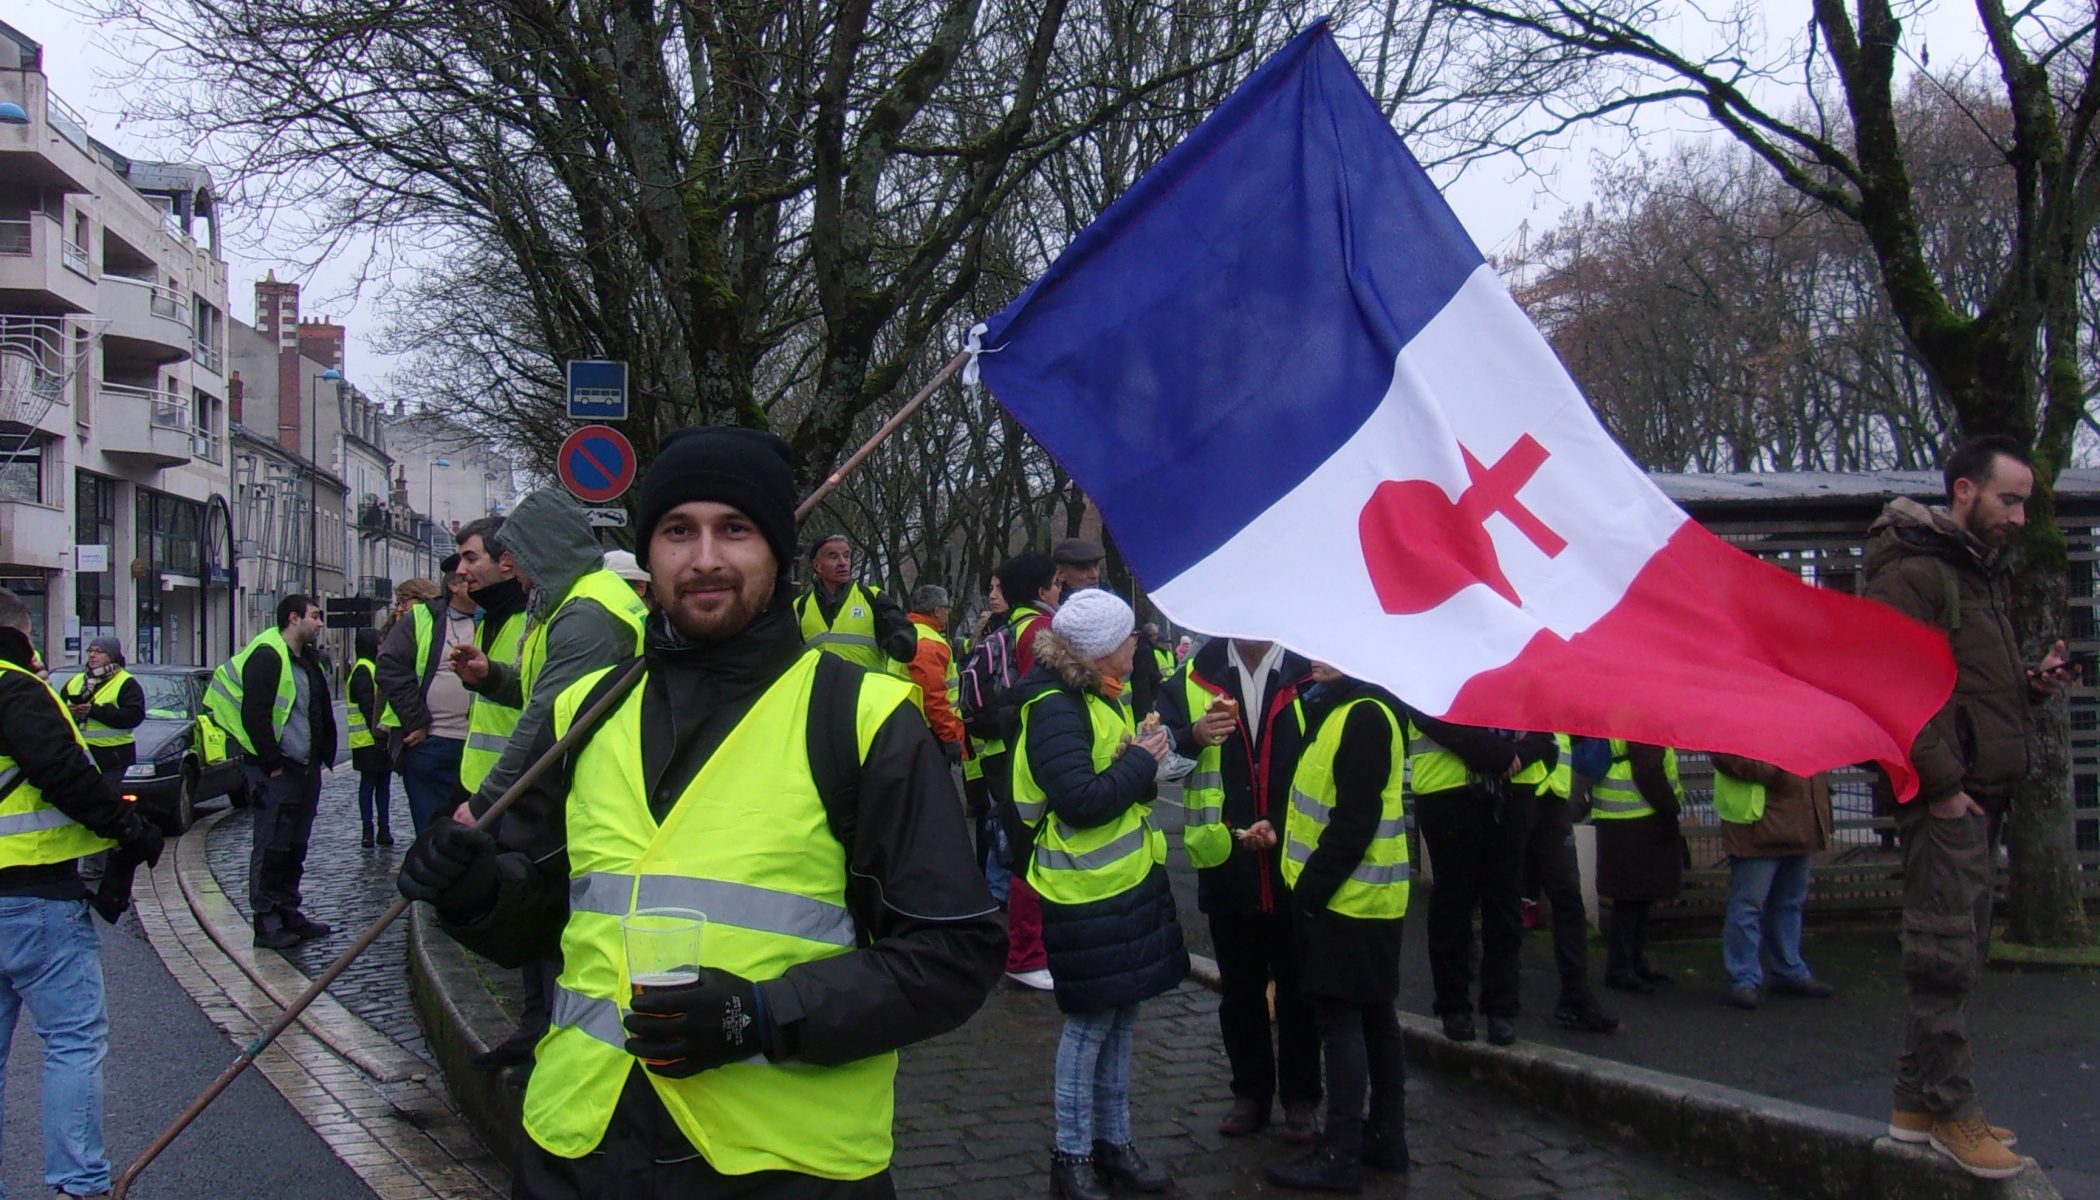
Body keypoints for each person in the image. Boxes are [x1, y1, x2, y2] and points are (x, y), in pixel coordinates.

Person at [397, 426, 1003, 1198]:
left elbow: (953, 955)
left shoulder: (864, 719)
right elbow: (542, 923)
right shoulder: (588, 709)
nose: (706, 557)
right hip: (576, 1151)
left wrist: (761, 1014)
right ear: (648, 555)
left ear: (779, 553)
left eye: (736, 530)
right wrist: (472, 892)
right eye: (679, 531)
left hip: (782, 1171)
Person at [1862, 434, 2070, 1178]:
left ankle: (1915, 1109)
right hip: (1947, 800)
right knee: (1944, 958)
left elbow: (1958, 683)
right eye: (2009, 500)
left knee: (1961, 950)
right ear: (1963, 492)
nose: (2019, 517)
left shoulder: (1972, 574)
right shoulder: (1914, 574)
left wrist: (2027, 682)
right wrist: (1944, 788)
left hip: (1979, 794)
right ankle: (1953, 1114)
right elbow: (1889, 688)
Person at [451, 491, 649, 1079]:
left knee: (557, 929)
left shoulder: (586, 613)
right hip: (566, 792)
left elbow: (545, 720)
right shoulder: (568, 604)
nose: (513, 568)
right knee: (545, 927)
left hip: (584, 794)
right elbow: (547, 695)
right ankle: (539, 1031)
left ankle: (558, 1044)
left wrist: (487, 801)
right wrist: (494, 679)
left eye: (519, 554)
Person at [1010, 588, 1184, 1200]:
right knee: (1088, 1029)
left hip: (1122, 883)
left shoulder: (1096, 696)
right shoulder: (1057, 705)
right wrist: (1141, 761)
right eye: (1131, 637)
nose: (1139, 644)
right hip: (1083, 888)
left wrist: (1149, 761)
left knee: (1121, 1018)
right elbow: (1081, 801)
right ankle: (1073, 1155)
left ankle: (1116, 1144)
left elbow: (1118, 786)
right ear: (1104, 649)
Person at [0, 588, 164, 1200]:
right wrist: (128, 828)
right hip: (34, 894)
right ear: (19, 633)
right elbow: (64, 772)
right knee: (72, 1043)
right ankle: (77, 1183)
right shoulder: (16, 686)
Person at [1157, 635, 1321, 1141]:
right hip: (1224, 856)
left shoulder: (1309, 672)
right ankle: (1249, 1093)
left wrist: (1276, 821)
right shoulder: (1192, 674)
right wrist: (1191, 735)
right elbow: (1156, 757)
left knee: (1300, 988)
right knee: (1240, 989)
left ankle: (1301, 1098)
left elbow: (1327, 760)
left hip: (1295, 856)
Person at [1265, 662, 1410, 1192]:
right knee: (1373, 1019)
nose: (1312, 658)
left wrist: (1308, 895)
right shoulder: (1340, 708)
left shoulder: (1364, 714)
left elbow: (1354, 820)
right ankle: (1385, 1140)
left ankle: (1343, 1151)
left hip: (1349, 901)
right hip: (1357, 898)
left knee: (1344, 1024)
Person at [1404, 716, 1556, 1045]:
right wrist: (1496, 754)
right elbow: (1424, 709)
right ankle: (1453, 1004)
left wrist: (1518, 755)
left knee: (1503, 900)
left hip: (1515, 788)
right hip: (1448, 788)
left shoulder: (1519, 663)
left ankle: (1501, 1007)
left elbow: (1546, 715)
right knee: (1453, 899)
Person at [205, 594, 337, 951]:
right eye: (314, 616)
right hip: (278, 770)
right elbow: (256, 715)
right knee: (272, 844)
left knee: (295, 845)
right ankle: (266, 921)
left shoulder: (305, 658)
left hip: (304, 768)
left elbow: (315, 709)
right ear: (293, 618)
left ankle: (288, 910)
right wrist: (272, 763)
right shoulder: (268, 655)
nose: (319, 622)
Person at [981, 551, 1062, 990]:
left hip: (1007, 748)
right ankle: (1027, 954)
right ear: (1039, 589)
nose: (1060, 589)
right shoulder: (1041, 629)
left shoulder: (1010, 625)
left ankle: (1030, 950)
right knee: (1031, 853)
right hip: (1032, 753)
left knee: (1020, 847)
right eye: (1055, 582)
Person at [1711, 754, 1836, 1010]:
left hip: (1797, 821)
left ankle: (1786, 971)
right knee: (1750, 905)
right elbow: (1726, 758)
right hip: (1757, 825)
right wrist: (1782, 771)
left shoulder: (1801, 718)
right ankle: (1747, 977)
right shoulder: (1737, 719)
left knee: (1788, 902)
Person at [1522, 736, 1619, 1033]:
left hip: (1553, 802)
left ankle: (1575, 995)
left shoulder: (1558, 696)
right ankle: (1497, 992)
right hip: (1518, 794)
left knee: (1568, 900)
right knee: (1503, 896)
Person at [377, 555, 480, 834]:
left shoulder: (496, 616)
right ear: (455, 585)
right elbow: (390, 667)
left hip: (482, 746)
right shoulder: (423, 618)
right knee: (433, 833)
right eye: (470, 577)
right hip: (433, 742)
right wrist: (416, 720)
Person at [1592, 739, 1684, 994]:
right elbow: (1648, 771)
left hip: (1623, 815)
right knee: (1632, 898)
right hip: (1636, 816)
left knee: (1636, 896)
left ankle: (1632, 962)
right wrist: (1670, 805)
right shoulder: (1642, 714)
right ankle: (1622, 968)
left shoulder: (1623, 709)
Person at [454, 516, 530, 800]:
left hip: (520, 786)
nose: (460, 571)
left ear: (506, 561)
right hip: (478, 779)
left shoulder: (533, 621)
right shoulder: (488, 618)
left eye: (470, 559)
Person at [794, 535, 915, 674]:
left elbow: (903, 638)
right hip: (821, 693)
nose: (842, 562)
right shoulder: (800, 607)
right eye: (833, 557)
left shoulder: (873, 598)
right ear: (817, 566)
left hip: (865, 693)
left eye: (846, 556)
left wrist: (901, 641)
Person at [60, 636, 144, 781]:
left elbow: (134, 716)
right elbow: (56, 710)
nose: (92, 655)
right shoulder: (76, 680)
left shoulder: (126, 682)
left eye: (99, 652)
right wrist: (68, 711)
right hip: (80, 754)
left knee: (108, 800)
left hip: (113, 757)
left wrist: (93, 711)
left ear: (111, 656)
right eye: (90, 651)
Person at [906, 584, 966, 763]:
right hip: (929, 730)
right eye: (947, 608)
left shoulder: (910, 633)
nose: (948, 613)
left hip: (911, 726)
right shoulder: (929, 643)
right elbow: (933, 696)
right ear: (937, 610)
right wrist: (949, 737)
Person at [346, 627, 393, 847]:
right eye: (379, 644)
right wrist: (379, 733)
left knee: (381, 785)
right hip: (369, 740)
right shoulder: (364, 670)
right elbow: (368, 706)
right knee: (372, 785)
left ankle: (382, 828)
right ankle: (371, 829)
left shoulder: (369, 668)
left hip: (372, 739)